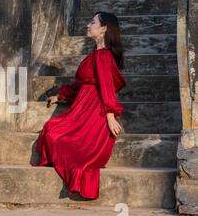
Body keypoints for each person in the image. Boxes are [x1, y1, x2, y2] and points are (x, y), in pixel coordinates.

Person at [31, 11, 126, 200]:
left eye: (92, 22)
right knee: (52, 129)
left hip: (95, 110)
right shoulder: (96, 55)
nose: (88, 26)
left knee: (56, 135)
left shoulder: (103, 56)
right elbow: (81, 85)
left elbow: (107, 87)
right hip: (84, 105)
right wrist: (60, 96)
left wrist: (110, 115)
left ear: (104, 29)